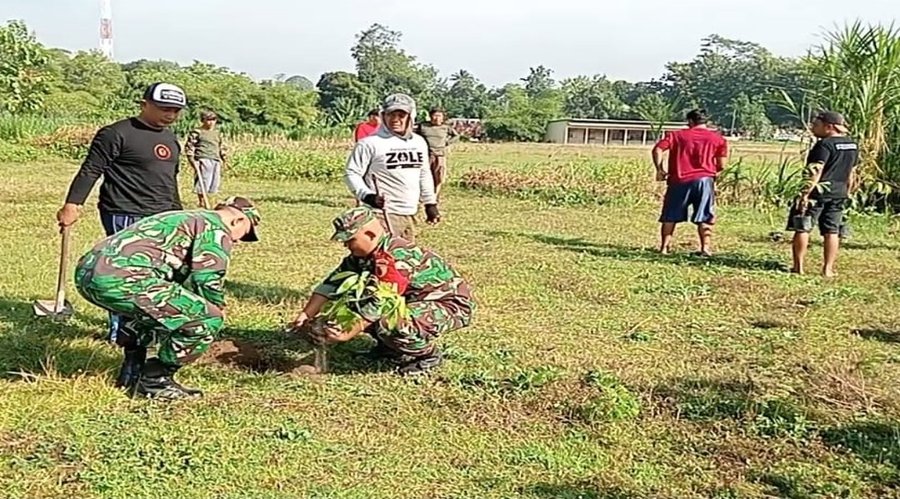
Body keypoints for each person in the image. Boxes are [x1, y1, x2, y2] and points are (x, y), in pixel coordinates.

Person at [74, 197, 261, 399]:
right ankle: (155, 381)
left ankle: (132, 372)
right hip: (123, 278)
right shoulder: (215, 228)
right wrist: (216, 306)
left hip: (88, 275)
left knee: (153, 312)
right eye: (244, 234)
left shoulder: (185, 217)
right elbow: (206, 278)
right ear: (238, 221)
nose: (237, 241)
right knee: (207, 318)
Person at [57, 82, 188, 344]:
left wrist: (179, 215)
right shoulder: (116, 133)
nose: (170, 115)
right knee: (125, 275)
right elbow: (91, 170)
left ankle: (151, 328)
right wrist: (73, 204)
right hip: (125, 212)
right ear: (144, 104)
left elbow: (170, 180)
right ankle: (122, 333)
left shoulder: (170, 139)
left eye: (176, 111)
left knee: (159, 274)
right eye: (164, 109)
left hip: (163, 214)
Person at [287, 206, 475, 376]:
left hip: (447, 304)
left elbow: (382, 302)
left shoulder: (395, 256)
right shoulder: (360, 256)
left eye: (350, 240)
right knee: (356, 303)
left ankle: (427, 356)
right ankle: (391, 350)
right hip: (409, 302)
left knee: (390, 321)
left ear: (369, 234)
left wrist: (347, 333)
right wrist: (306, 314)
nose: (346, 246)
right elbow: (331, 285)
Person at [344, 94, 440, 243]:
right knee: (383, 261)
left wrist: (430, 203)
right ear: (383, 116)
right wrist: (367, 196)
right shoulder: (369, 143)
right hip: (381, 213)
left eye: (401, 115)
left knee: (405, 259)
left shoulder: (419, 142)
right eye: (391, 114)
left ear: (411, 116)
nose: (396, 119)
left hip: (410, 212)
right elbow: (352, 173)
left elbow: (424, 173)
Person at [786, 111, 859, 277]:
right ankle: (828, 269)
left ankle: (798, 267)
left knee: (803, 227)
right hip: (839, 192)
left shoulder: (824, 145)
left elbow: (816, 171)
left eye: (816, 125)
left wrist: (805, 194)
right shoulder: (852, 145)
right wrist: (848, 191)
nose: (812, 128)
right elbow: (852, 172)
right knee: (832, 231)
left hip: (818, 192)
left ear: (829, 126)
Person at [652, 109, 728, 256]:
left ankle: (664, 248)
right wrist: (710, 171)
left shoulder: (676, 135)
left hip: (679, 180)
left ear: (690, 121)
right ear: (706, 121)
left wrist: (660, 169)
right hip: (704, 181)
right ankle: (705, 249)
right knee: (705, 215)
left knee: (670, 214)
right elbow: (722, 165)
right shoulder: (718, 139)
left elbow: (658, 149)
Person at [185, 110, 228, 208]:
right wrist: (192, 159)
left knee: (214, 182)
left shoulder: (217, 133)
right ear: (203, 120)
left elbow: (221, 146)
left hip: (215, 159)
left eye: (213, 119)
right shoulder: (197, 132)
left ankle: (210, 200)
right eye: (208, 120)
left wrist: (224, 157)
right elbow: (190, 146)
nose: (211, 122)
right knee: (203, 180)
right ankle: (202, 201)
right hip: (203, 158)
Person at [416, 106, 460, 197]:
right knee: (424, 175)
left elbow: (456, 136)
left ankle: (435, 195)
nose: (437, 118)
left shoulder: (446, 128)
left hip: (440, 155)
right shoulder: (423, 126)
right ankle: (423, 195)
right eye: (435, 116)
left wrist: (447, 143)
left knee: (439, 176)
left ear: (443, 117)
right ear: (430, 116)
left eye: (439, 116)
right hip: (426, 155)